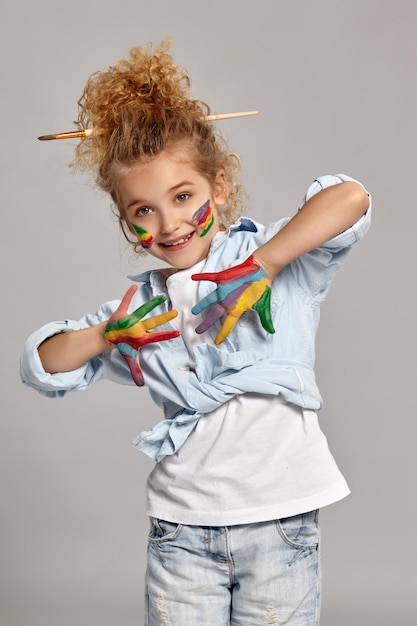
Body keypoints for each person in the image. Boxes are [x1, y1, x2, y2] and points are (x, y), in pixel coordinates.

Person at [20, 38, 371, 626]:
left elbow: (351, 198)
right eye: (142, 210)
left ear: (220, 187)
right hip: (181, 532)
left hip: (279, 523)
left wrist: (265, 265)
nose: (169, 223)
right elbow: (43, 363)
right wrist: (107, 334)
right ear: (126, 220)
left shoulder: (277, 259)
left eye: (183, 196)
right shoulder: (140, 310)